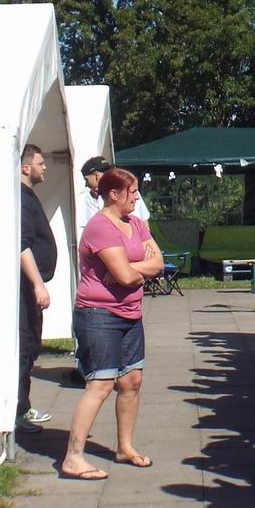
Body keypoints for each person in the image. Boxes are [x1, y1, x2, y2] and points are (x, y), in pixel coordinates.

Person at [62, 167, 163, 478]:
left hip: (130, 313)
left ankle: (125, 447)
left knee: (131, 381)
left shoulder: (136, 224)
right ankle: (73, 457)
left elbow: (158, 263)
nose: (137, 198)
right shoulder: (100, 228)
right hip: (99, 315)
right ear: (113, 194)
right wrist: (134, 269)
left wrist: (132, 268)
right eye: (132, 192)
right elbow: (125, 277)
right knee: (101, 384)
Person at [17, 143, 56, 434]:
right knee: (24, 346)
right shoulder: (21, 199)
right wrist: (37, 284)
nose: (45, 168)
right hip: (24, 290)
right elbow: (22, 247)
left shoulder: (28, 196)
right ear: (26, 167)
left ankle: (23, 406)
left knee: (30, 346)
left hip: (30, 290)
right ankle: (18, 412)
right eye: (41, 163)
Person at [78, 155, 108, 227]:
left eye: (86, 179)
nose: (86, 185)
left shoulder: (125, 193)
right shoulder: (91, 197)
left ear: (96, 176)